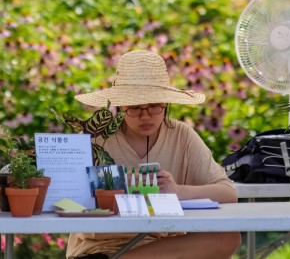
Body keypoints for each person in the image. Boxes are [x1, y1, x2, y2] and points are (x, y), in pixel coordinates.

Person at [66, 50, 241, 259]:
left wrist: (178, 191)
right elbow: (67, 194)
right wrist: (117, 183)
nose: (145, 115)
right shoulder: (97, 137)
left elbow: (228, 193)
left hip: (163, 248)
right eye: (136, 108)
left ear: (166, 103)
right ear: (120, 106)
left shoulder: (182, 135)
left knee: (228, 238)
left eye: (154, 106)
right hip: (99, 248)